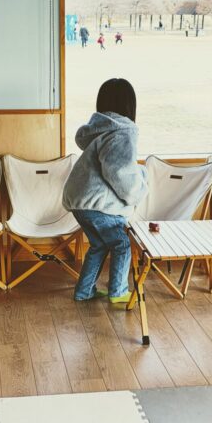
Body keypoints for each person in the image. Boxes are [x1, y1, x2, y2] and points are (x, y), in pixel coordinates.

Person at [62, 78, 148, 308]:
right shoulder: (123, 131)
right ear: (130, 105)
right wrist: (138, 191)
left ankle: (84, 291)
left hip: (79, 201)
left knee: (99, 245)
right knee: (122, 244)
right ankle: (118, 292)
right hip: (97, 204)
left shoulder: (101, 130)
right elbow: (120, 172)